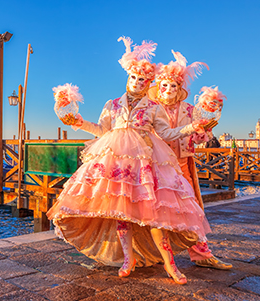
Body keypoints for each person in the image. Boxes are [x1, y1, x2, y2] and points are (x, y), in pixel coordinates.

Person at [48, 37, 211, 285]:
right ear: (128, 78)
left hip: (146, 163)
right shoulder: (112, 105)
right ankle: (128, 258)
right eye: (134, 78)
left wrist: (191, 128)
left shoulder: (154, 107)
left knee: (154, 214)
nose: (137, 82)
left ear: (148, 84)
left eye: (143, 80)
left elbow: (166, 134)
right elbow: (103, 130)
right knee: (121, 213)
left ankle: (170, 264)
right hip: (117, 164)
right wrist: (78, 123)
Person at [152, 76, 232, 270]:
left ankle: (201, 254)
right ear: (158, 87)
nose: (169, 89)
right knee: (155, 211)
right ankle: (154, 255)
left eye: (174, 85)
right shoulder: (151, 107)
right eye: (165, 85)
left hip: (182, 163)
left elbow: (197, 138)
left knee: (191, 209)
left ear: (179, 88)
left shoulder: (190, 109)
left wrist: (205, 130)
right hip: (156, 164)